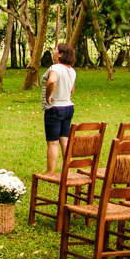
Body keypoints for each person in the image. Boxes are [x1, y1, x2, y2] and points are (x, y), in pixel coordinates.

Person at [41, 43, 77, 173]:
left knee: (53, 143)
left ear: (61, 55)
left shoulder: (55, 68)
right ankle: (67, 169)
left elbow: (52, 81)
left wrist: (48, 96)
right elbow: (72, 90)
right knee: (65, 141)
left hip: (54, 108)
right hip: (68, 107)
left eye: (55, 50)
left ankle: (50, 172)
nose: (53, 51)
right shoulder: (72, 70)